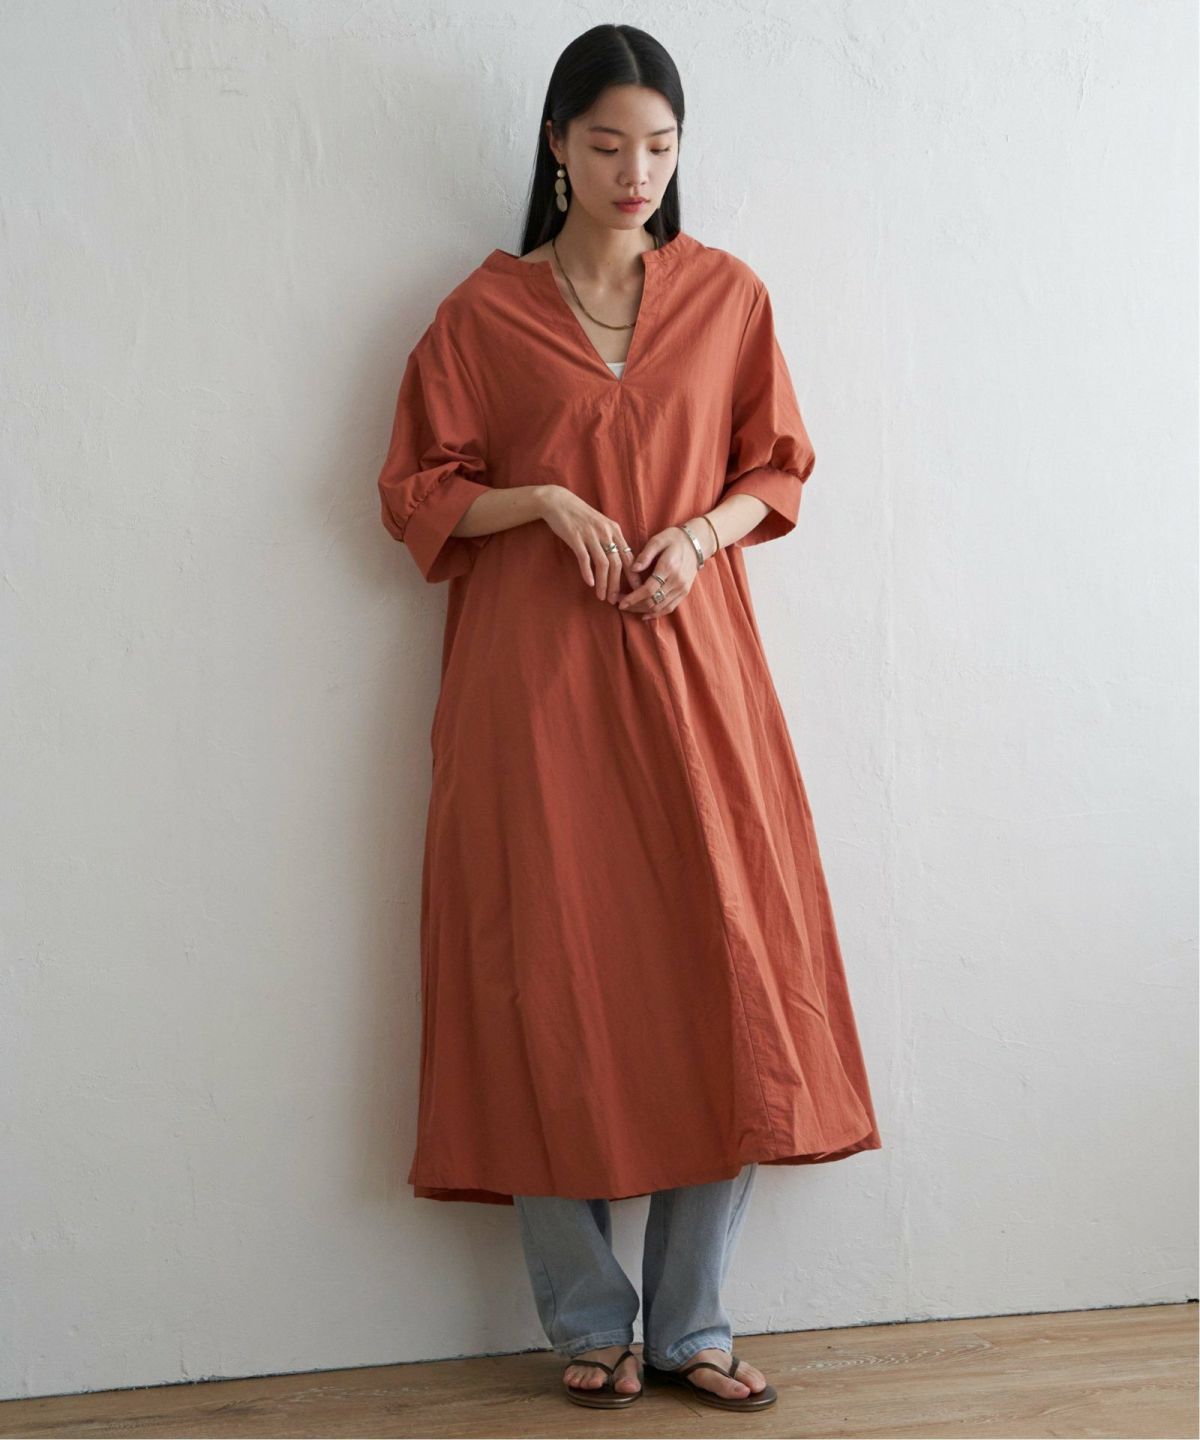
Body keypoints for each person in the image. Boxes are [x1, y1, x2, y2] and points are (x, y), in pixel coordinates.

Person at [376, 23, 882, 1412]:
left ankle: (692, 1324)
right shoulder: (480, 315)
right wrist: (543, 500)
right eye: (607, 143)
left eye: (659, 145)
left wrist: (701, 537)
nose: (635, 170)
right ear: (555, 145)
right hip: (531, 689)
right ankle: (589, 1320)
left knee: (726, 973)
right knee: (546, 978)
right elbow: (415, 490)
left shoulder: (727, 297)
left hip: (695, 671)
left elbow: (776, 466)